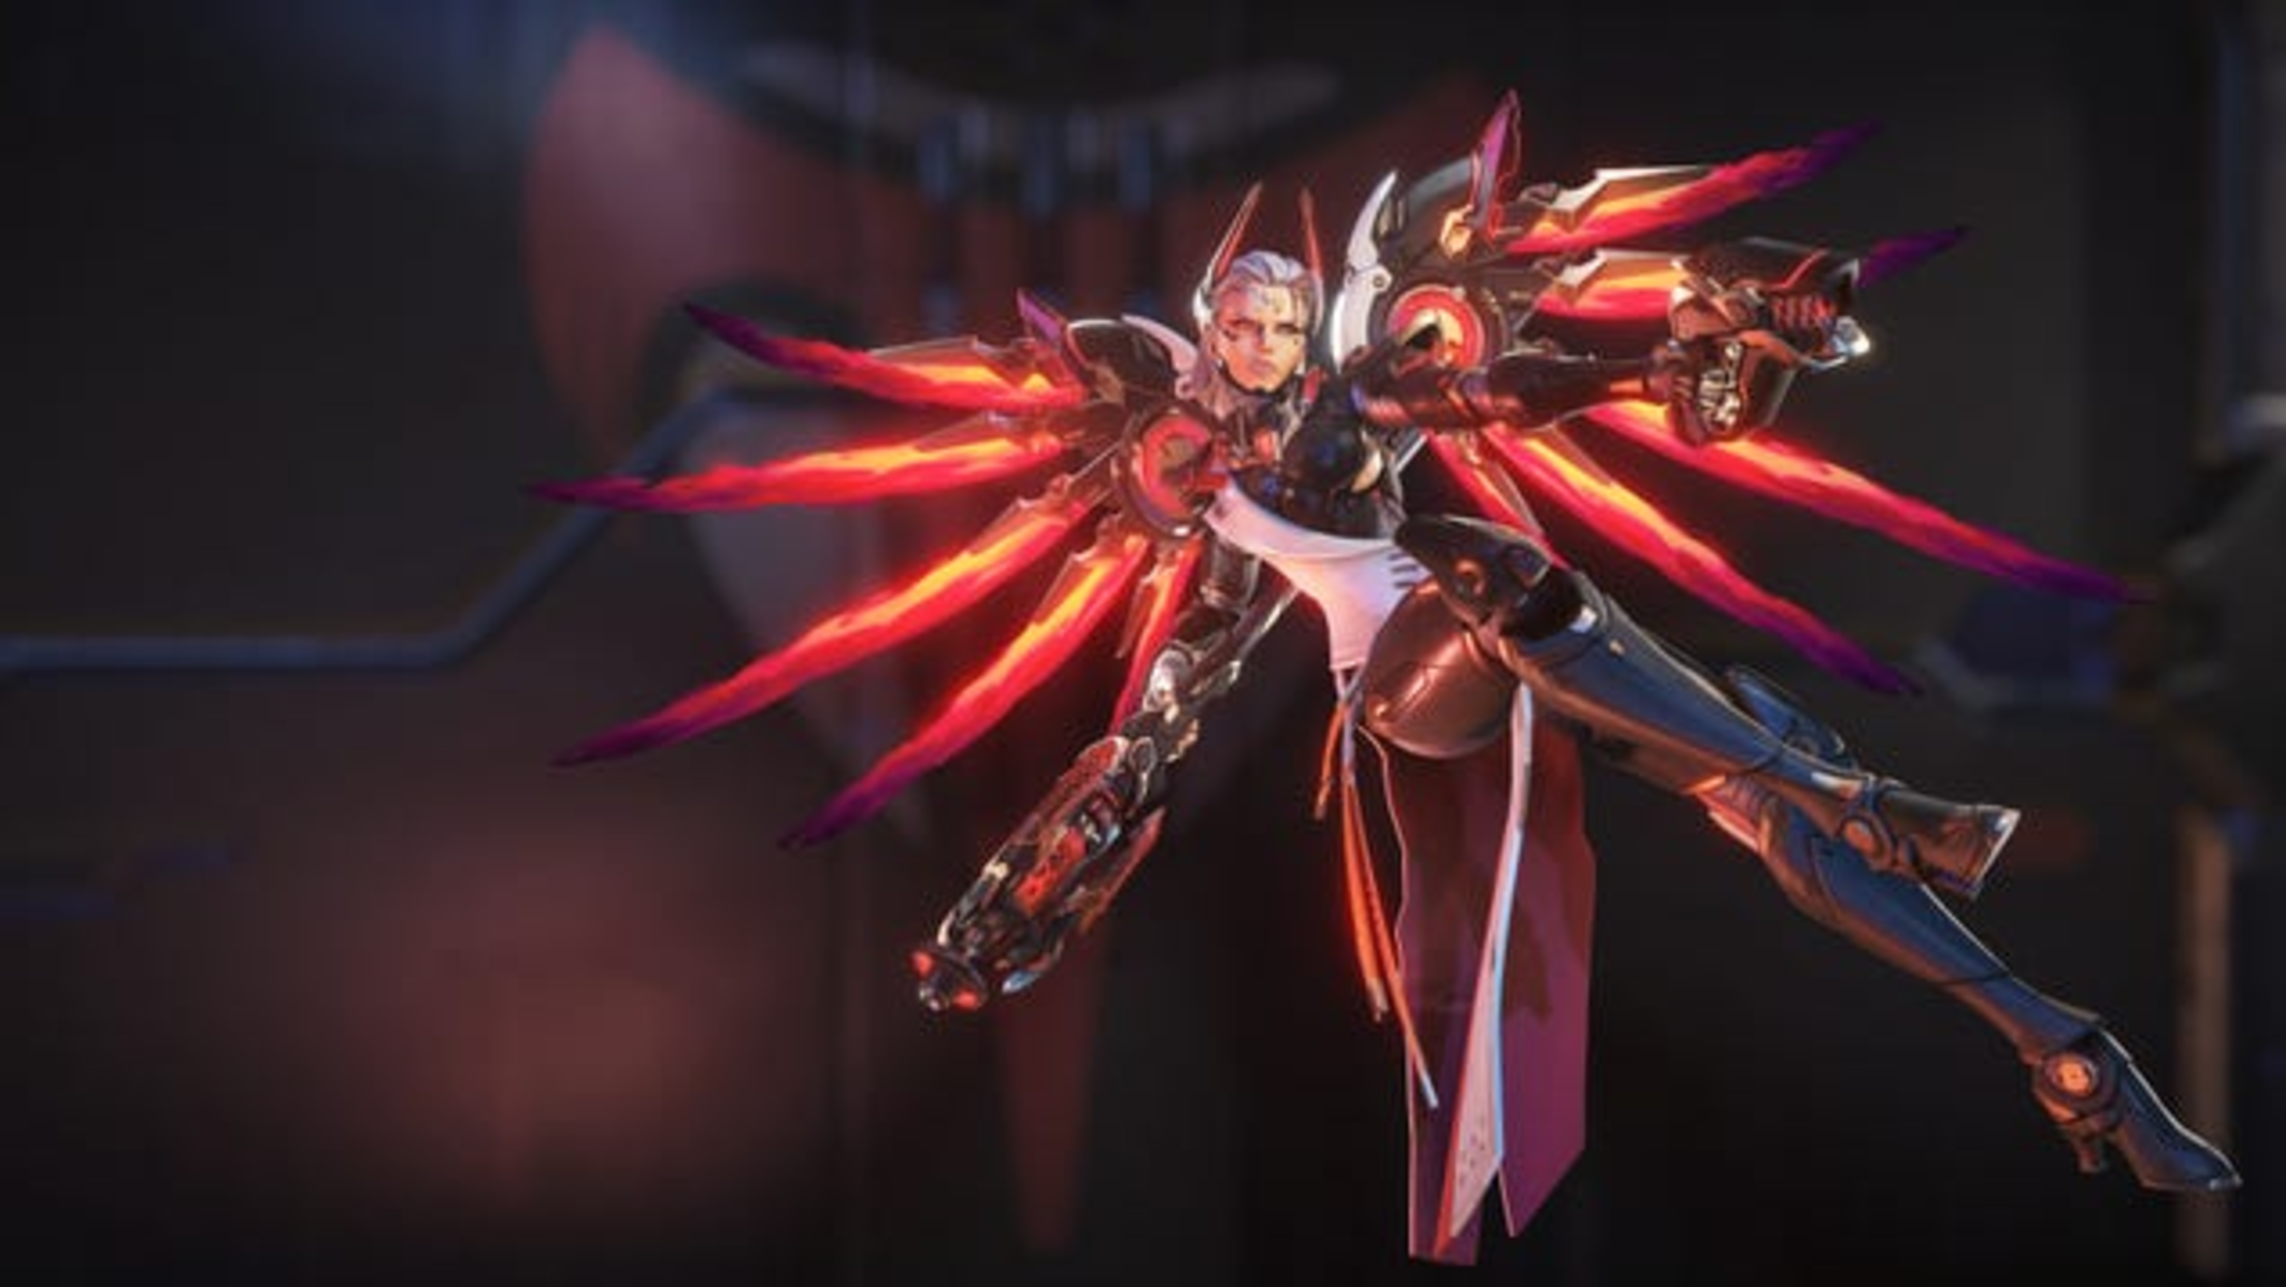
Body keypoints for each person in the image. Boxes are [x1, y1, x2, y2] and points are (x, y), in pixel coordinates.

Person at [548, 98, 2238, 1265]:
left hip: (1541, 647)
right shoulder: (1216, 512)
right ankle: (1863, 792)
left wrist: (1681, 342)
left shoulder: (1360, 409)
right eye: (1247, 327)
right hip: (1422, 696)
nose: (1271, 349)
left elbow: (1487, 389)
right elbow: (1163, 712)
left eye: (1290, 327)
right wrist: (1053, 856)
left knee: (1755, 794)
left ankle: (2067, 1052)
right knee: (1506, 581)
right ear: (1206, 335)